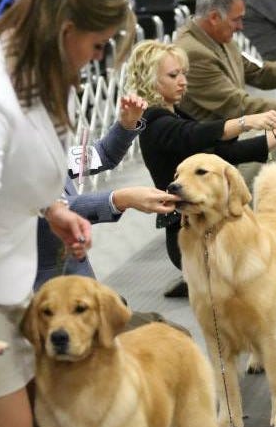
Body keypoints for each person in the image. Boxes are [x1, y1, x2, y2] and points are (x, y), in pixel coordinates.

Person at [0, 0, 135, 427]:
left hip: (13, 270)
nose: (98, 58)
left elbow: (37, 166)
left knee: (38, 418)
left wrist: (56, 208)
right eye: (97, 45)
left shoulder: (36, 78)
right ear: (68, 31)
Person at [124, 39, 276, 286]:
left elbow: (223, 153)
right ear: (150, 80)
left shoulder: (174, 114)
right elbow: (195, 134)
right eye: (173, 75)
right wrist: (246, 122)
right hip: (189, 234)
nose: (183, 81)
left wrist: (273, 140)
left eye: (183, 74)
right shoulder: (155, 122)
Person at [34, 93, 179, 290]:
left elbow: (103, 154)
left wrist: (126, 125)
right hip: (42, 287)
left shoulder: (50, 150)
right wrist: (121, 199)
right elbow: (56, 209)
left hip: (79, 277)